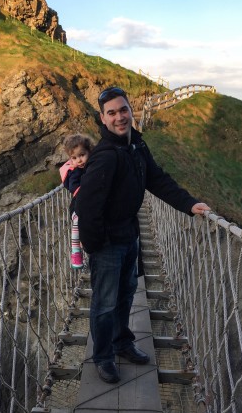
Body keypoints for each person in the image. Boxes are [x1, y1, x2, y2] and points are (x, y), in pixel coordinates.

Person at [75, 87, 210, 383]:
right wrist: (95, 246)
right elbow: (87, 205)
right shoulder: (106, 157)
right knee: (105, 302)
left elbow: (157, 180)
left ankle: (122, 343)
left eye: (123, 110)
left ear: (131, 111)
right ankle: (103, 356)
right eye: (112, 113)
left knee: (125, 296)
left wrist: (189, 204)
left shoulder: (136, 147)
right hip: (108, 243)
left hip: (129, 235)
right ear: (103, 118)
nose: (119, 117)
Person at [59, 133, 95, 269]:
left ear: (89, 151)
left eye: (81, 155)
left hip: (92, 202)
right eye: (74, 158)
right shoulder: (74, 172)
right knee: (77, 221)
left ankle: (86, 247)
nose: (78, 160)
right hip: (79, 203)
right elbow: (73, 186)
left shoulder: (96, 164)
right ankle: (76, 253)